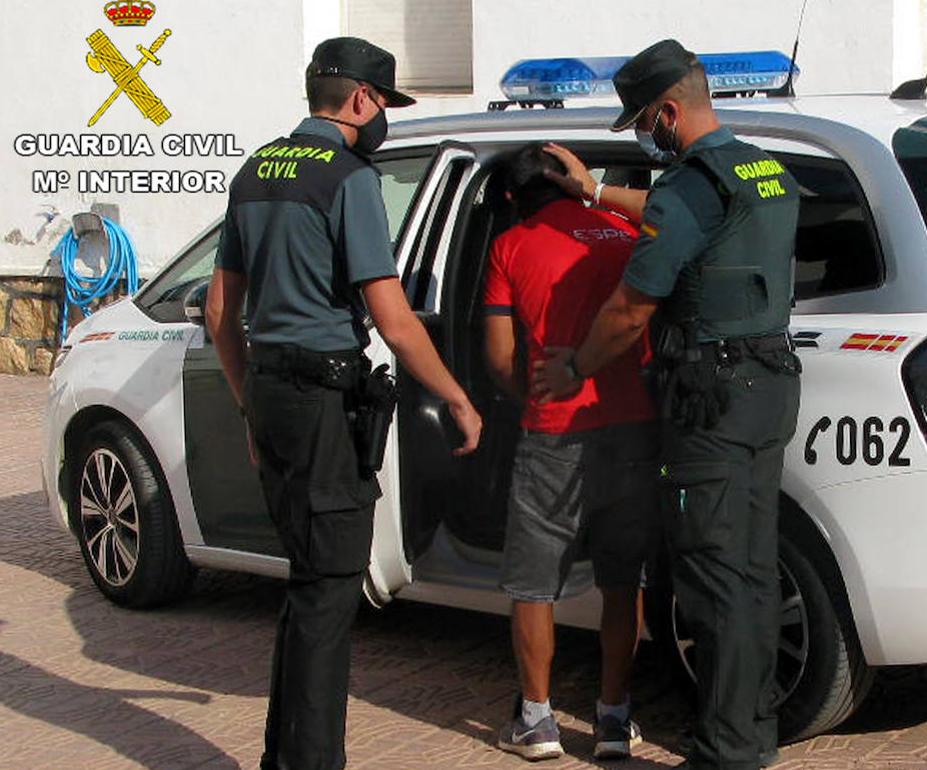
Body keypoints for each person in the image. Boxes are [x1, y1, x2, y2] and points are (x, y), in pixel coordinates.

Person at [204, 36, 482, 770]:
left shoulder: (255, 170)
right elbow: (394, 319)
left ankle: (283, 757)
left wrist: (249, 404)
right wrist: (456, 396)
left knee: (307, 584)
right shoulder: (349, 178)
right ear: (362, 99)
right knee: (329, 591)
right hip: (322, 398)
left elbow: (218, 312)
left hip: (271, 389)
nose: (385, 114)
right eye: (385, 101)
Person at [533, 39, 802, 770]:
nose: (644, 136)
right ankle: (751, 738)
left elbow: (630, 310)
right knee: (751, 573)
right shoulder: (759, 169)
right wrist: (594, 193)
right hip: (767, 386)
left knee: (713, 581)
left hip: (710, 399)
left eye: (643, 122)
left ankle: (723, 753)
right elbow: (675, 211)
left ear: (669, 113)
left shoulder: (691, 186)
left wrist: (575, 368)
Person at [483, 142, 660, 761]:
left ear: (513, 197)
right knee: (623, 580)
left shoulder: (510, 246)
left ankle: (536, 721)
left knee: (534, 585)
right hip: (635, 424)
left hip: (554, 430)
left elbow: (499, 355)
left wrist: (529, 394)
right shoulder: (624, 230)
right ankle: (613, 718)